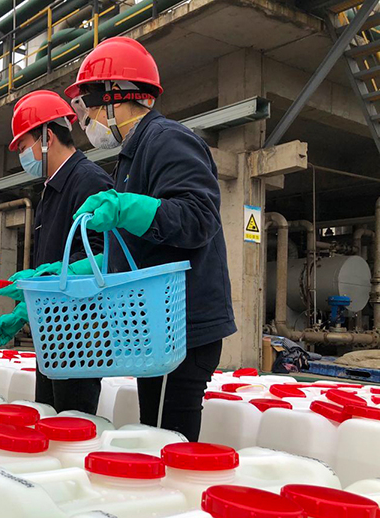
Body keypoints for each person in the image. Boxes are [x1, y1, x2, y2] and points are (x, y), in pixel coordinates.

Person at [62, 37, 236, 441]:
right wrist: (76, 269)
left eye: (87, 106)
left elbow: (199, 218)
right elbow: (135, 248)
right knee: (157, 435)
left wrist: (126, 207)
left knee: (167, 442)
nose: (86, 121)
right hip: (158, 327)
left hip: (183, 328)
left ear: (113, 96)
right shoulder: (133, 154)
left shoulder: (167, 139)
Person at [0, 90, 116, 414]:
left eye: (24, 146)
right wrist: (27, 310)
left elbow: (103, 256)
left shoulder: (89, 182)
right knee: (48, 418)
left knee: (70, 425)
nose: (22, 156)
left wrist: (50, 277)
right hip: (53, 331)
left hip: (81, 336)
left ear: (47, 137)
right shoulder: (50, 190)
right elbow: (50, 264)